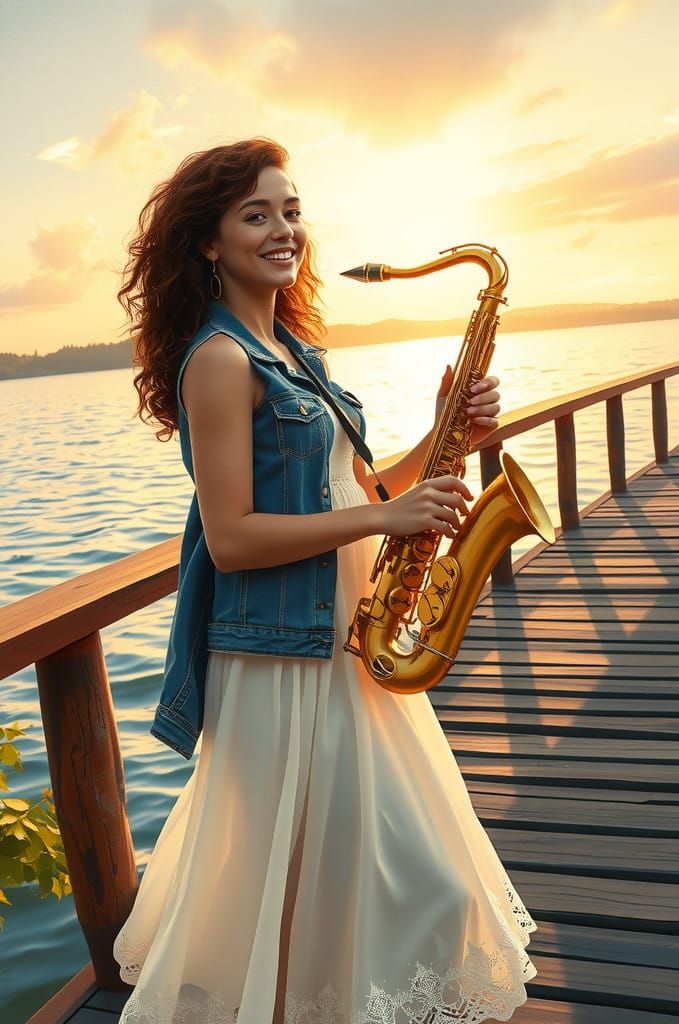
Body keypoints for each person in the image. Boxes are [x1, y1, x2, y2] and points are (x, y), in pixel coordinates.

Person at [112, 137, 537, 1024]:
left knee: (355, 880)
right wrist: (387, 519)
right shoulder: (219, 362)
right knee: (343, 877)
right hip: (281, 663)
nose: (283, 229)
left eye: (291, 210)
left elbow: (357, 490)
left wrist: (440, 436)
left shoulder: (297, 351)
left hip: (346, 645)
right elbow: (230, 540)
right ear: (208, 241)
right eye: (256, 214)